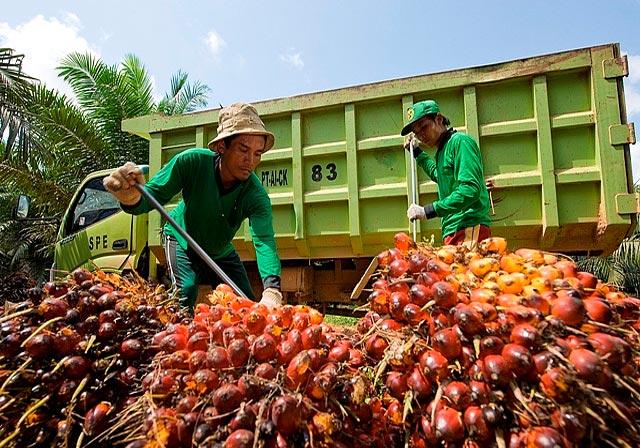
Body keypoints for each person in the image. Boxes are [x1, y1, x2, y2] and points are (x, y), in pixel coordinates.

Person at [103, 103, 283, 311]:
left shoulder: (256, 195)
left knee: (246, 306)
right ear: (221, 146)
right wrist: (130, 197)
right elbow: (152, 196)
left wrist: (272, 290)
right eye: (243, 149)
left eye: (258, 153)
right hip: (182, 239)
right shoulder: (191, 163)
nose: (250, 161)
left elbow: (264, 240)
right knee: (185, 291)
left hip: (220, 251)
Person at [401, 100, 492, 246]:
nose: (421, 136)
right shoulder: (441, 151)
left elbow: (470, 190)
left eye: (423, 127)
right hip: (453, 230)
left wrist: (428, 210)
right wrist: (418, 153)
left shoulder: (460, 142)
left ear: (439, 119)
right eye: (416, 133)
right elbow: (439, 176)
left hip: (468, 225)